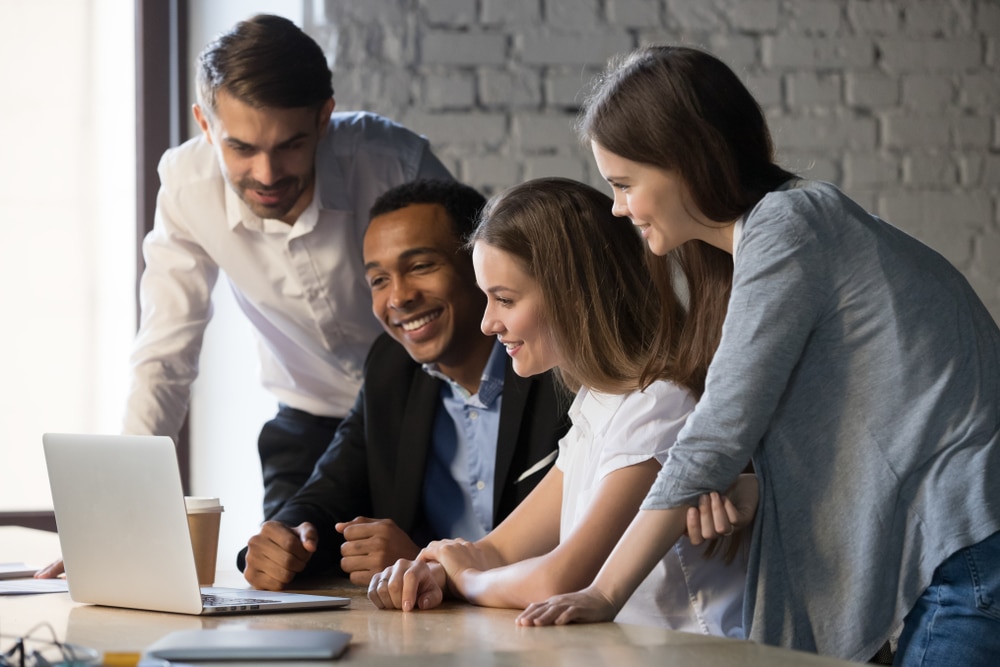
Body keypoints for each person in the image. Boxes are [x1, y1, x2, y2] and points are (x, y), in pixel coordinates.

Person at [513, 46, 1000, 667]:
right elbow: (868, 425)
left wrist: (605, 591)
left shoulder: (788, 226)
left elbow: (714, 434)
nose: (617, 207)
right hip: (968, 545)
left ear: (684, 163)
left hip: (974, 547)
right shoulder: (791, 230)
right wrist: (752, 493)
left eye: (625, 184)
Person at [367, 178, 750, 637]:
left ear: (575, 296)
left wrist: (466, 577)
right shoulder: (598, 404)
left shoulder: (659, 406)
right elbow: (499, 551)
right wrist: (434, 571)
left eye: (504, 299)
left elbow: (560, 577)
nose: (488, 323)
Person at [240, 179, 570, 590]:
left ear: (481, 266)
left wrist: (422, 559)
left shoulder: (559, 368)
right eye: (378, 280)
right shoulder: (391, 367)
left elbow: (573, 546)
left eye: (420, 266)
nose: (398, 298)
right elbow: (329, 491)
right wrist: (285, 537)